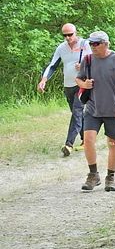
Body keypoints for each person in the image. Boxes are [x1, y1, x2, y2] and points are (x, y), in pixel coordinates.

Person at [75, 31, 115, 192]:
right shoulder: (88, 59)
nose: (93, 47)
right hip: (92, 107)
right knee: (88, 140)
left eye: (96, 43)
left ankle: (110, 177)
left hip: (113, 109)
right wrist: (83, 84)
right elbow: (79, 78)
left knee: (112, 143)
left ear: (106, 44)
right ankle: (93, 175)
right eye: (91, 44)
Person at [37, 23, 92, 157]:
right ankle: (86, 140)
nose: (67, 38)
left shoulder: (85, 44)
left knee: (77, 112)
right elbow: (52, 65)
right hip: (68, 86)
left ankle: (69, 144)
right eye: (65, 35)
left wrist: (84, 66)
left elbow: (95, 61)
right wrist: (43, 80)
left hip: (82, 84)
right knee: (76, 113)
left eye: (70, 35)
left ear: (76, 33)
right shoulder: (61, 48)